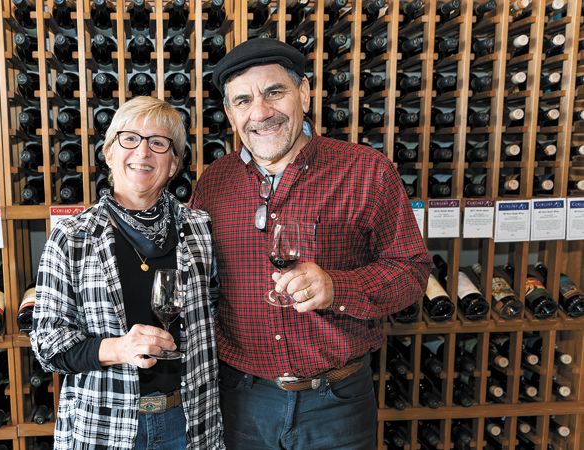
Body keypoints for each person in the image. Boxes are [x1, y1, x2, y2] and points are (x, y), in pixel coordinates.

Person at [189, 38, 431, 449]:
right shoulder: (214, 183)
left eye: (274, 92)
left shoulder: (366, 170)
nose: (260, 112)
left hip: (336, 401)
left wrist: (339, 287)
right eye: (244, 100)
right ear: (230, 113)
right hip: (242, 399)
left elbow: (411, 270)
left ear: (303, 92)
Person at [31, 96, 225, 450]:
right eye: (130, 138)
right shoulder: (72, 236)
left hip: (190, 422)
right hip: (104, 426)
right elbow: (47, 343)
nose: (143, 151)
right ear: (108, 153)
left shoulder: (199, 228)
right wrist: (119, 348)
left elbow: (216, 312)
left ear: (174, 164)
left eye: (159, 143)